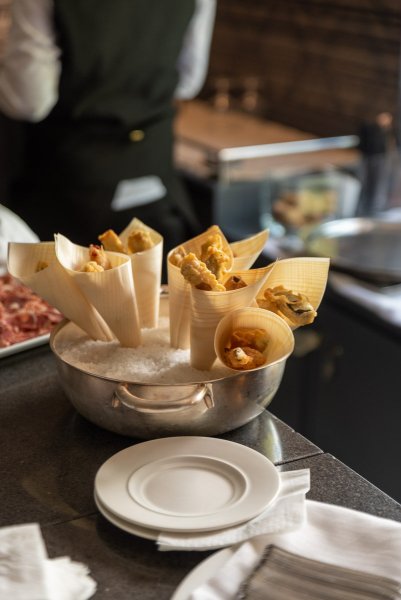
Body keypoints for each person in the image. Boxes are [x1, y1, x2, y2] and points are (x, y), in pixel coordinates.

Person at [0, 0, 216, 260]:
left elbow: (29, 101)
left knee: (54, 297)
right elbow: (188, 82)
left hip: (71, 189)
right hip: (153, 172)